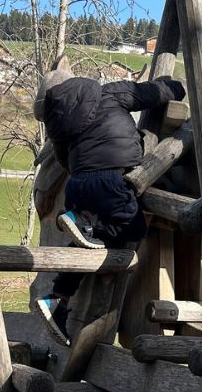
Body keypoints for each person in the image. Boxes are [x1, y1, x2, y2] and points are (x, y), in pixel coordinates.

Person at [34, 73, 185, 345]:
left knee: (87, 245)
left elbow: (62, 158)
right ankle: (84, 224)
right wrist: (174, 87)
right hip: (111, 179)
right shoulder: (109, 93)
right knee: (133, 227)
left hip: (78, 183)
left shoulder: (60, 119)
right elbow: (148, 94)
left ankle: (57, 299)